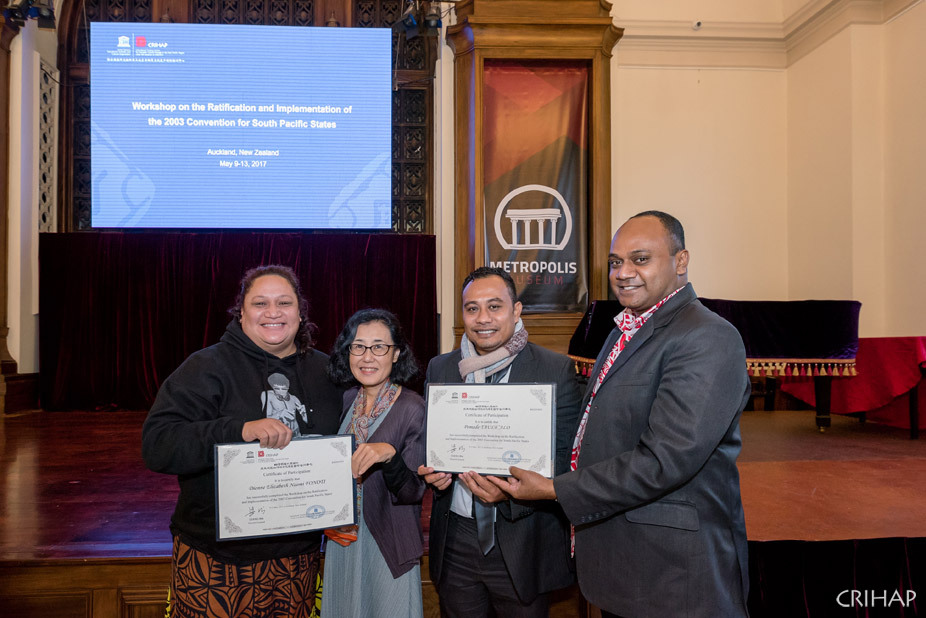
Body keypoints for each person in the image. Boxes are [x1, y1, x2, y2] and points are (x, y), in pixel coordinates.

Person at [489, 211, 751, 618]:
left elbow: (665, 460)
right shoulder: (622, 330)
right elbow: (596, 428)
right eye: (615, 262)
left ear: (681, 262)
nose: (623, 272)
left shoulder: (707, 337)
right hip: (626, 561)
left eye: (640, 259)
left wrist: (556, 489)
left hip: (672, 575)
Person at [142, 264, 343, 618]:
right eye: (260, 303)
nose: (273, 313)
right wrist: (238, 430)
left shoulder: (327, 373)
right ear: (241, 312)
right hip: (216, 560)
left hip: (298, 558)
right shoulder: (205, 367)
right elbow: (158, 444)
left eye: (284, 302)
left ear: (300, 311)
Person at [418, 266, 581, 617]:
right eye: (472, 308)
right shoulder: (441, 368)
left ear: (516, 310)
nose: (482, 319)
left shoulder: (555, 370)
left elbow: (564, 462)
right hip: (457, 543)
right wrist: (433, 473)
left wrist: (508, 496)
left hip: (520, 541)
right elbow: (432, 444)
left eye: (494, 306)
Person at [322, 308, 427, 618]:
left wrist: (389, 454)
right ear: (348, 351)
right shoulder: (346, 400)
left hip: (387, 541)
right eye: (358, 346)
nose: (368, 356)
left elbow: (412, 492)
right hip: (344, 539)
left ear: (396, 354)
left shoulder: (412, 407)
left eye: (379, 346)